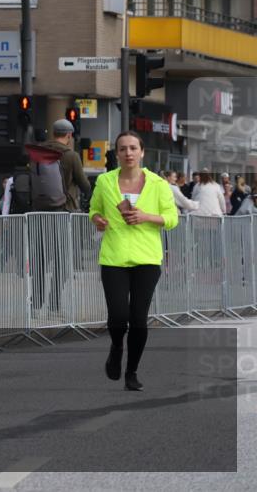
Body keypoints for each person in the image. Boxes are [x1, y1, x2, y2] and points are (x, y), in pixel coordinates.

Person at [89, 131, 178, 391]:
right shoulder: (105, 182)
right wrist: (97, 220)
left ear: (141, 152)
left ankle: (132, 371)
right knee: (118, 315)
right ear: (116, 153)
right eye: (123, 149)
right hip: (114, 257)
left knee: (138, 318)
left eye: (132, 148)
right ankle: (116, 346)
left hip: (146, 259)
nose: (128, 153)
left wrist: (147, 217)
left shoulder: (158, 184)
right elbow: (93, 209)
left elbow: (172, 219)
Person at [39, 119, 92, 212]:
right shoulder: (71, 155)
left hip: (41, 208)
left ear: (54, 133)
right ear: (69, 135)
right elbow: (85, 186)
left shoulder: (39, 152)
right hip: (65, 208)